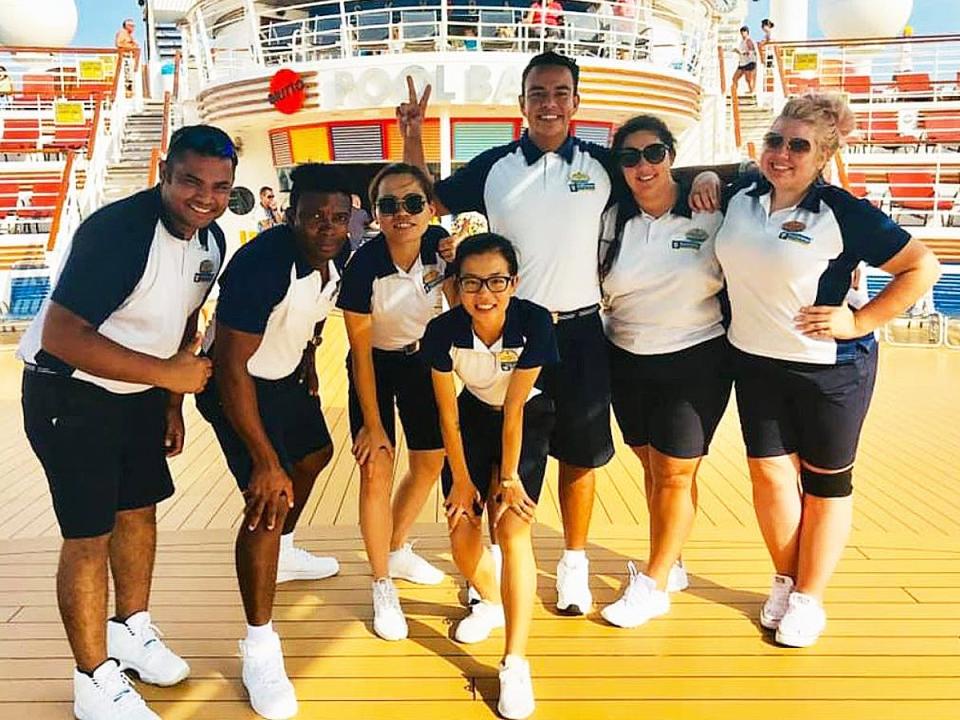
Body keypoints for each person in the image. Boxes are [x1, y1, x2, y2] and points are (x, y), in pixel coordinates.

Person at [398, 53, 727, 619]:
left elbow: (657, 177)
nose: (549, 102)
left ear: (575, 102)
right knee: (503, 457)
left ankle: (574, 563)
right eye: (537, 93)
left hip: (579, 335)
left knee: (580, 456)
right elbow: (427, 198)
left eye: (559, 92)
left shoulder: (605, 164)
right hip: (509, 333)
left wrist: (704, 176)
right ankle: (494, 576)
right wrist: (411, 135)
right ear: (522, 104)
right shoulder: (495, 166)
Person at [704, 94, 941, 647]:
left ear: (822, 156)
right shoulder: (741, 194)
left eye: (798, 146)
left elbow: (921, 266)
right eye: (775, 141)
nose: (782, 154)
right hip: (755, 361)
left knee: (825, 483)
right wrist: (705, 179)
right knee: (769, 475)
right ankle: (786, 582)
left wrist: (859, 321)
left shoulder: (842, 211)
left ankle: (810, 597)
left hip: (829, 368)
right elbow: (689, 176)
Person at [17, 124, 236, 720]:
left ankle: (130, 630)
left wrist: (169, 401)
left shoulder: (211, 240)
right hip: (70, 394)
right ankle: (92, 679)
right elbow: (63, 336)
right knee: (88, 536)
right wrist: (168, 376)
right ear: (165, 170)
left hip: (140, 394)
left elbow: (185, 321)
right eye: (190, 180)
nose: (204, 196)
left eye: (219, 185)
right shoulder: (117, 233)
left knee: (139, 512)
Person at [195, 163, 350, 720]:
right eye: (313, 217)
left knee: (315, 454)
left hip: (283, 377)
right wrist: (263, 460)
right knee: (269, 497)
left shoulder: (339, 256)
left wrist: (308, 361)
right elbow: (229, 365)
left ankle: (282, 551)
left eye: (337, 217)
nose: (326, 227)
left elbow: (317, 312)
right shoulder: (264, 263)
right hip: (235, 387)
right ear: (291, 215)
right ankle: (258, 647)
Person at [598, 115, 731, 629]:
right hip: (626, 357)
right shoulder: (612, 222)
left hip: (695, 358)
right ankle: (671, 560)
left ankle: (652, 584)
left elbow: (766, 179)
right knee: (658, 468)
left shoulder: (711, 209)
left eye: (653, 153)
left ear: (671, 156)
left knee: (676, 472)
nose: (643, 166)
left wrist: (710, 177)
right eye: (629, 158)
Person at [421, 234, 558, 720]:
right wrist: (460, 476)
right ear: (456, 286)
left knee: (512, 528)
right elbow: (446, 412)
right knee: (462, 531)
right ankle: (494, 599)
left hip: (526, 417)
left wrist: (511, 478)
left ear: (513, 283)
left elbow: (516, 408)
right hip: (472, 416)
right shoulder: (442, 331)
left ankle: (514, 663)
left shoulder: (534, 322)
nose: (485, 293)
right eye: (472, 282)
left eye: (497, 281)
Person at [336, 163, 454, 641]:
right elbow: (360, 351)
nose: (401, 213)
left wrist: (458, 263)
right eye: (389, 205)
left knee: (430, 462)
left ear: (429, 209)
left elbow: (460, 304)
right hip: (374, 367)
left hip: (422, 361)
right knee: (376, 466)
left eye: (412, 203)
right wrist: (372, 422)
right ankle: (381, 582)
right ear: (375, 213)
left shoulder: (440, 246)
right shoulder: (363, 265)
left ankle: (398, 546)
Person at [114, 18, 139, 95]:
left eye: (134, 26)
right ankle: (128, 93)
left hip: (130, 58)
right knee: (127, 77)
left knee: (130, 77)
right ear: (126, 26)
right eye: (131, 26)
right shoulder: (122, 33)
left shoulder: (129, 35)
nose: (133, 28)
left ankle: (130, 92)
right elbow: (119, 44)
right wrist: (131, 46)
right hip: (125, 58)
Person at [732, 25, 758, 96]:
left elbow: (751, 51)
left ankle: (751, 92)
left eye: (744, 32)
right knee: (735, 78)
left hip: (749, 62)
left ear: (747, 33)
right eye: (742, 32)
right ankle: (734, 92)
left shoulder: (749, 40)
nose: (743, 34)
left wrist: (741, 52)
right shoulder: (742, 41)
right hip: (743, 62)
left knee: (748, 79)